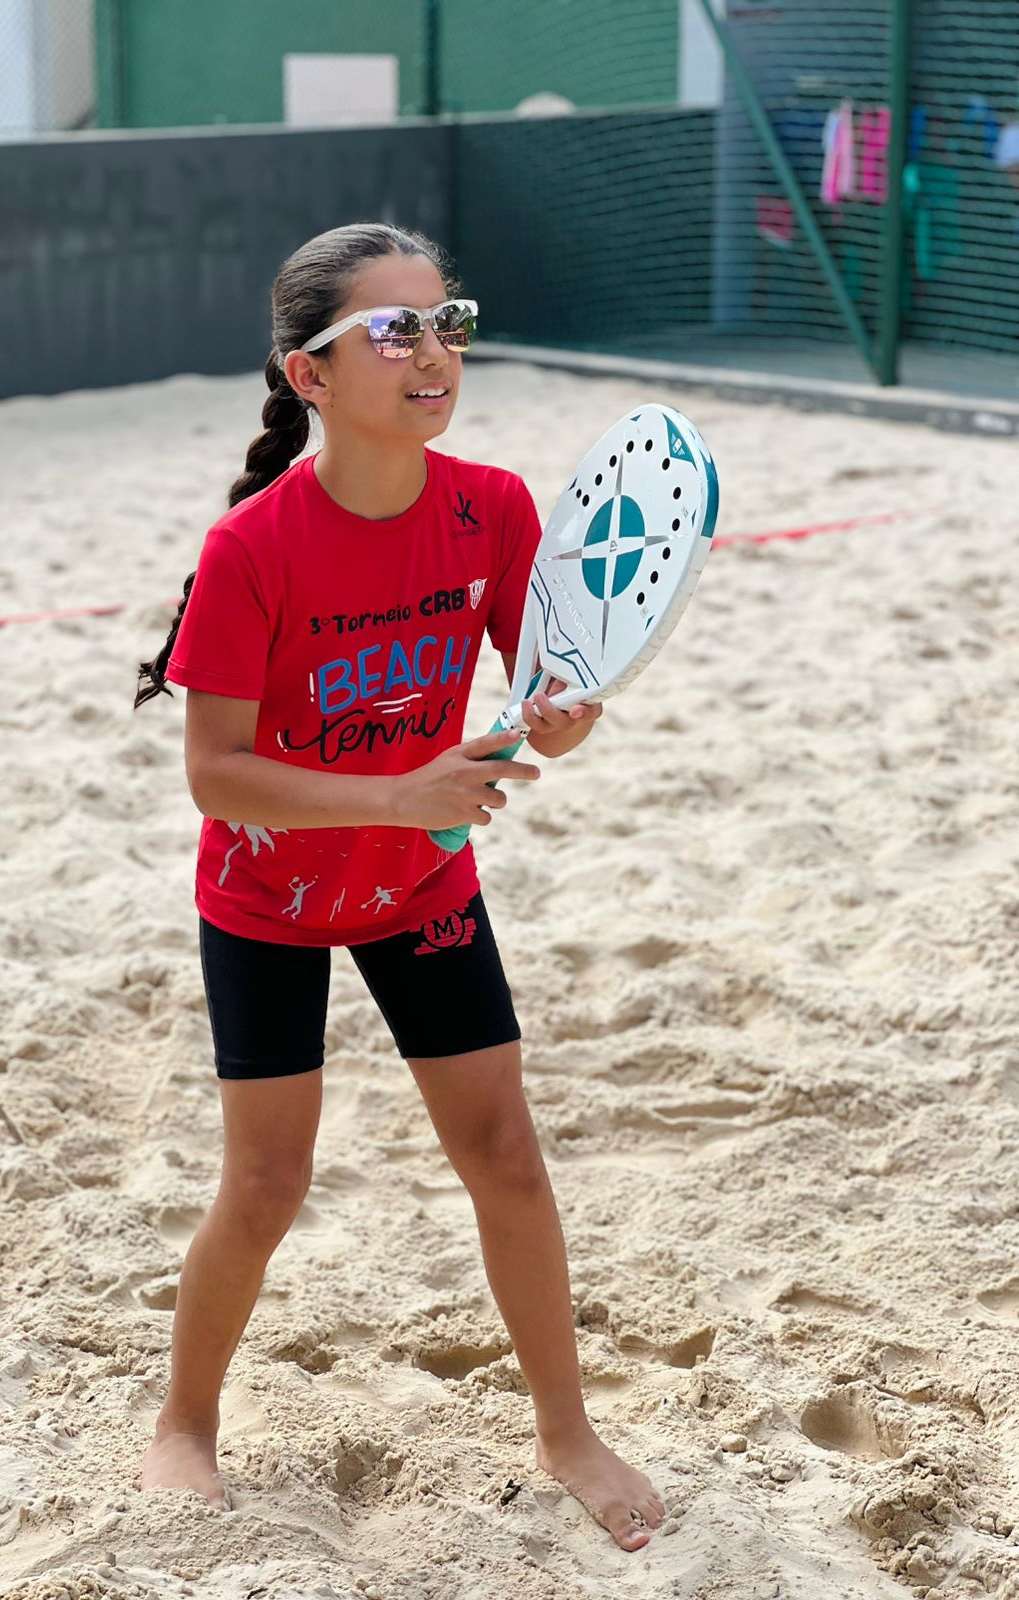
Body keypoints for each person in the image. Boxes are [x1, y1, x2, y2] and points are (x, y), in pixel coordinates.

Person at [131, 221, 664, 1552]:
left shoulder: (494, 509)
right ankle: (184, 1424)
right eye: (395, 328)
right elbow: (217, 776)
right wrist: (399, 793)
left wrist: (561, 719)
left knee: (508, 1163)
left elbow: (540, 692)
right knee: (267, 1186)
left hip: (421, 883)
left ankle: (566, 1431)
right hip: (270, 901)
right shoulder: (255, 548)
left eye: (448, 321)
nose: (434, 352)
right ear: (309, 375)